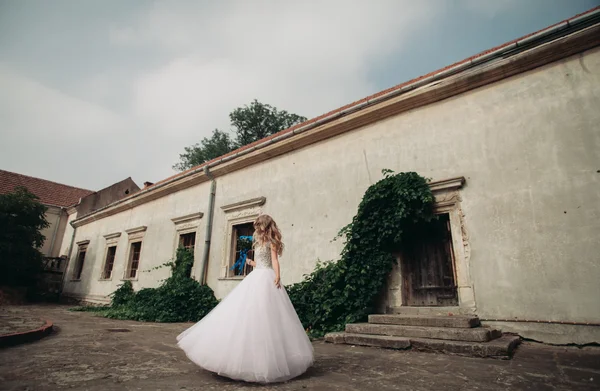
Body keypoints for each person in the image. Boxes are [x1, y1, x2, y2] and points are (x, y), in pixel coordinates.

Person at [176, 214, 314, 383]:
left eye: (259, 226)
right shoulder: (258, 240)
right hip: (256, 276)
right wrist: (252, 263)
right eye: (255, 226)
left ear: (265, 225)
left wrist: (277, 276)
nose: (256, 229)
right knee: (246, 313)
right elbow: (261, 262)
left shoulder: (272, 241)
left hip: (266, 279)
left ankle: (268, 360)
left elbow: (274, 261)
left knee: (268, 316)